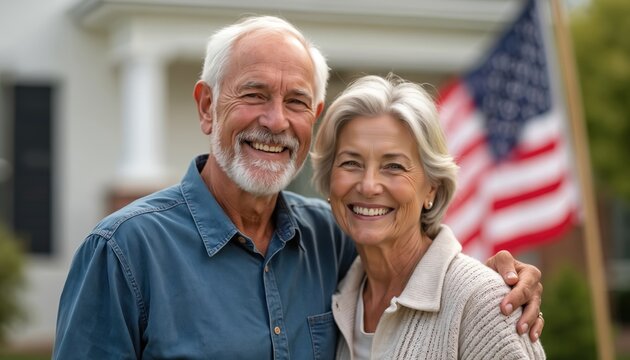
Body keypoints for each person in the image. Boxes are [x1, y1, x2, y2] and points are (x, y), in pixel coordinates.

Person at [54, 16, 544, 359]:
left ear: (315, 118)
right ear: (206, 106)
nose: (275, 121)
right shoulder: (122, 254)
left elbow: (418, 268)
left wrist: (488, 281)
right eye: (254, 94)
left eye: (296, 101)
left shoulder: (330, 238)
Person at [311, 74, 546, 359]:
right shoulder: (332, 293)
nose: (369, 185)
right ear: (329, 179)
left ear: (431, 188)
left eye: (393, 166)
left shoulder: (481, 302)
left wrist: (490, 290)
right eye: (351, 163)